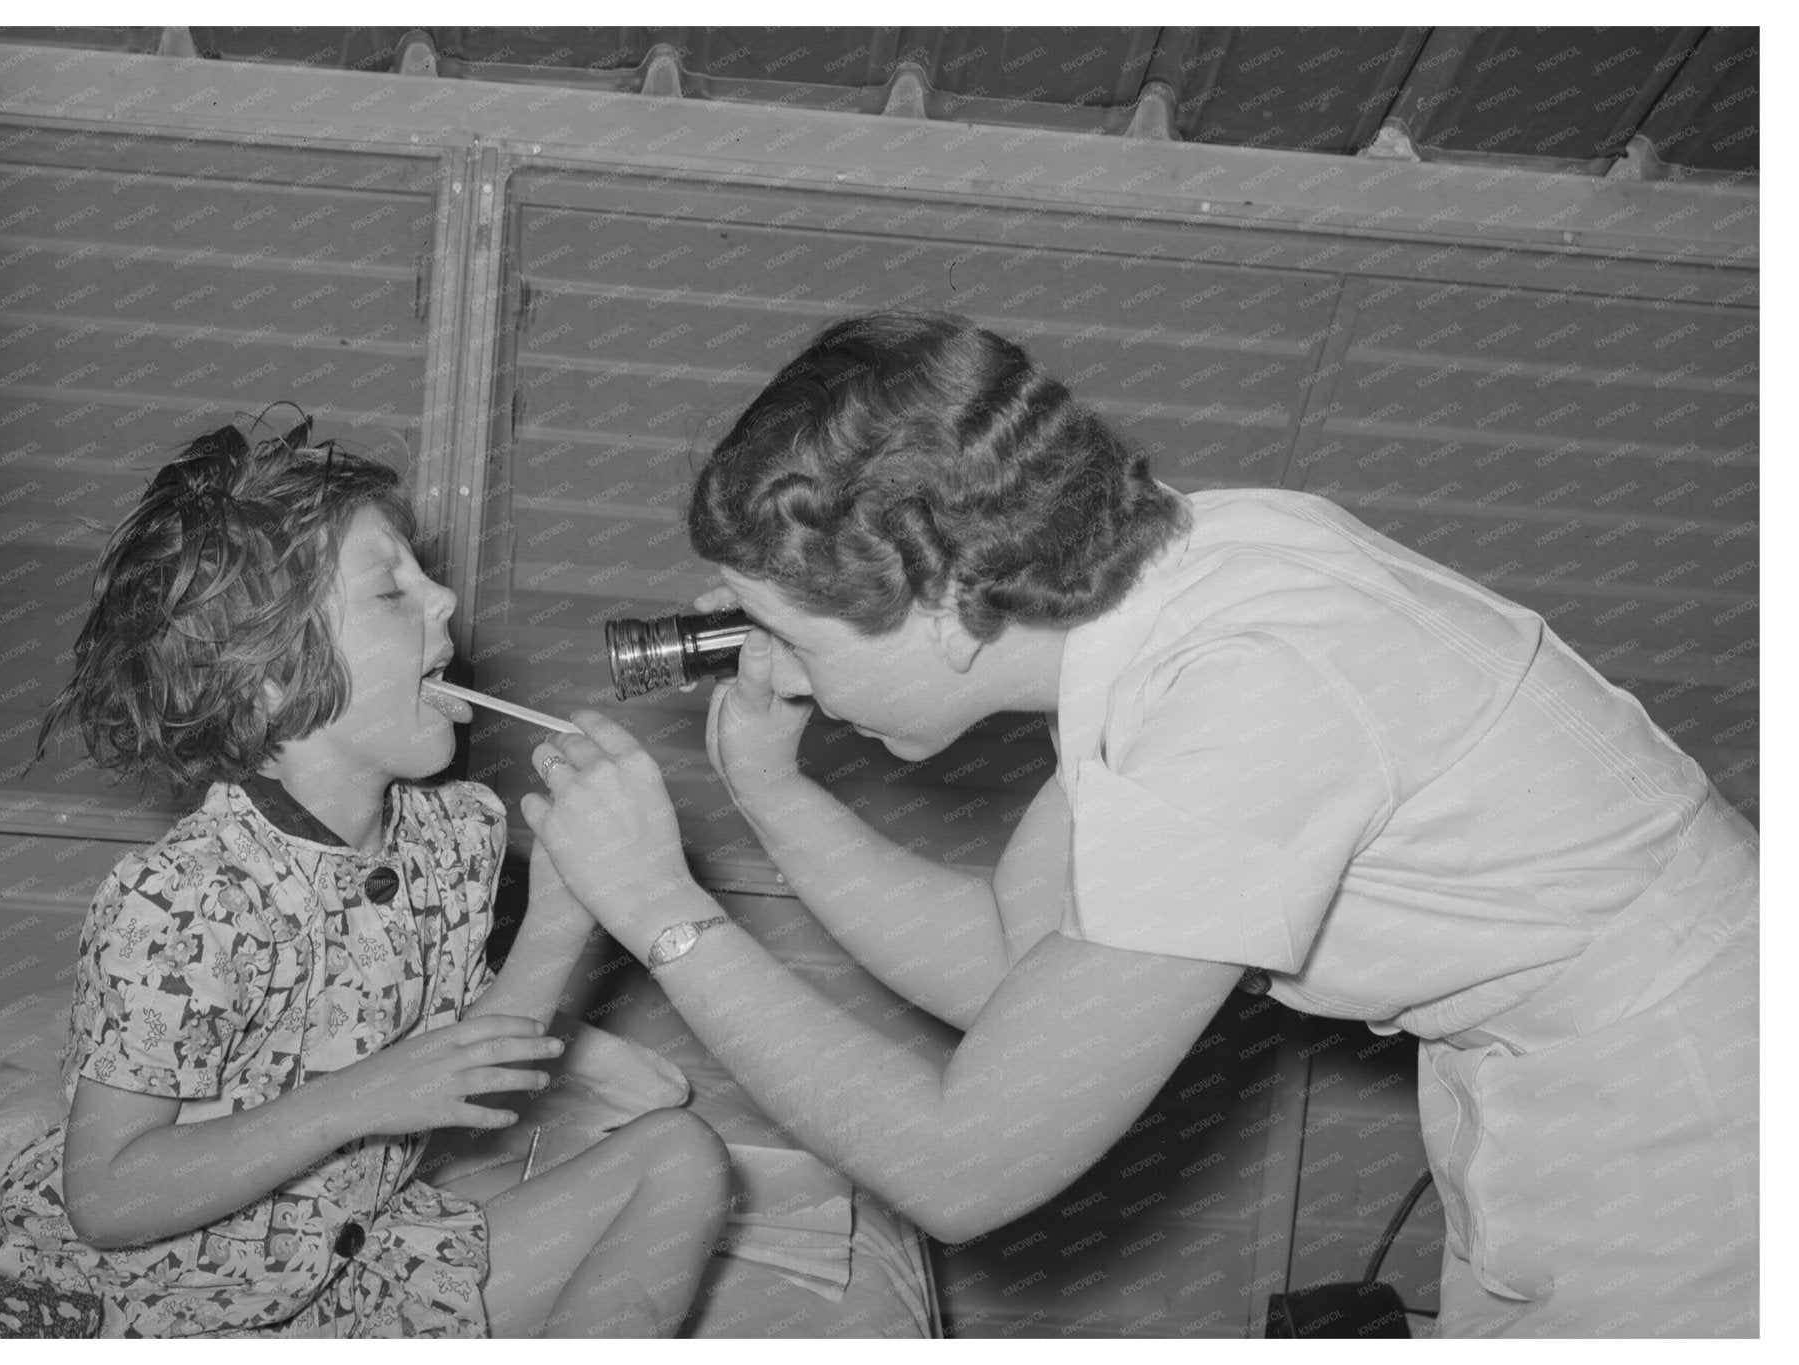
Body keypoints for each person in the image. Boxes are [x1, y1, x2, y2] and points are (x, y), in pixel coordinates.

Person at [519, 312, 1759, 1338]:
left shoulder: (1248, 695)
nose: (770, 664)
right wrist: (776, 797)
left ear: (945, 604)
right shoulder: (1169, 584)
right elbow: (1018, 974)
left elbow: (970, 1167)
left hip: (1695, 1138)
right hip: (1584, 1085)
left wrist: (661, 915)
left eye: (784, 628)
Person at [0, 416, 727, 1338]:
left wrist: (565, 911)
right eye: (393, 590)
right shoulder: (182, 902)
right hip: (181, 1302)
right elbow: (105, 1194)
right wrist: (366, 1095)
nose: (447, 596)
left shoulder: (452, 835)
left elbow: (470, 1067)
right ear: (266, 676)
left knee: (685, 1159)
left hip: (367, 1264)